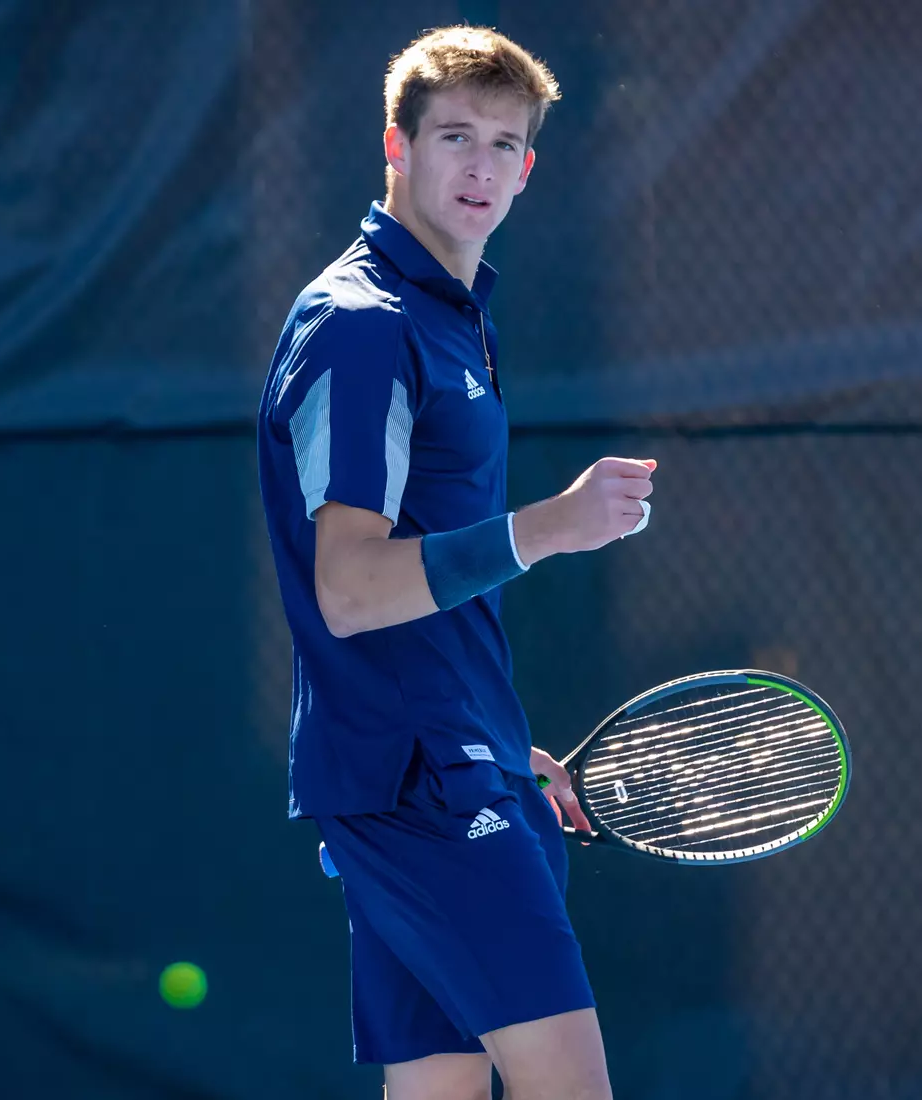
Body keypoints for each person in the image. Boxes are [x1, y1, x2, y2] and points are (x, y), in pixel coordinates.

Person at [256, 25, 654, 1100]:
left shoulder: (450, 319)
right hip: (420, 779)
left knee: (436, 1087)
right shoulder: (362, 326)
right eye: (454, 137)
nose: (479, 168)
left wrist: (495, 729)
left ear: (529, 169)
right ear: (398, 147)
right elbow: (348, 587)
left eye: (504, 145)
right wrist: (550, 526)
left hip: (447, 751)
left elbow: (416, 586)